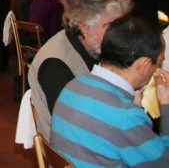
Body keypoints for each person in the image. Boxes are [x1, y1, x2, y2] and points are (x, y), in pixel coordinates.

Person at [51, 15, 169, 166]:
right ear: (144, 65)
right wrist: (166, 104)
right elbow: (163, 163)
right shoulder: (126, 116)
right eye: (158, 64)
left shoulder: (74, 85)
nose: (157, 69)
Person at [28, 0, 132, 140]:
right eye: (109, 26)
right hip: (71, 150)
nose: (118, 34)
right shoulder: (56, 64)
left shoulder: (90, 46)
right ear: (84, 27)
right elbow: (71, 125)